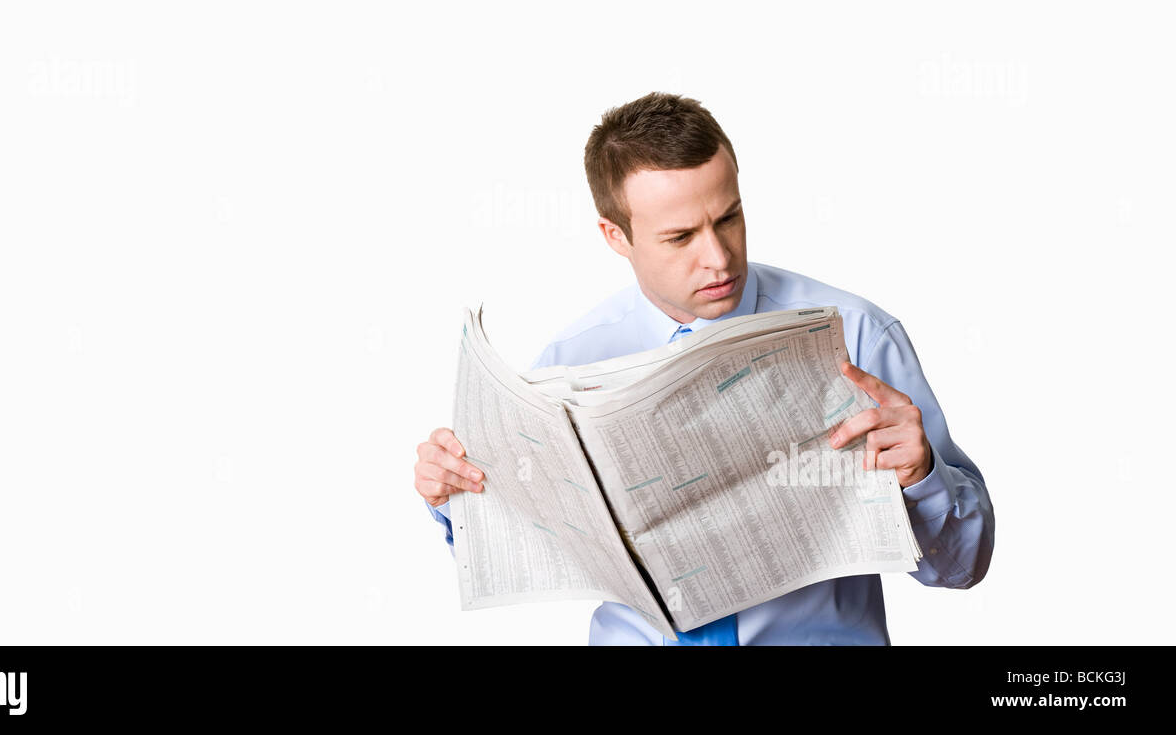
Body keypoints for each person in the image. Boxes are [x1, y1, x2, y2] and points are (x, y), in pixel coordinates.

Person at [414, 92, 995, 645]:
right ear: (616, 236)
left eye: (729, 218)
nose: (718, 258)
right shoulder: (569, 363)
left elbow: (965, 567)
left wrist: (922, 478)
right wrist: (458, 498)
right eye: (680, 237)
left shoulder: (860, 336)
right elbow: (533, 549)